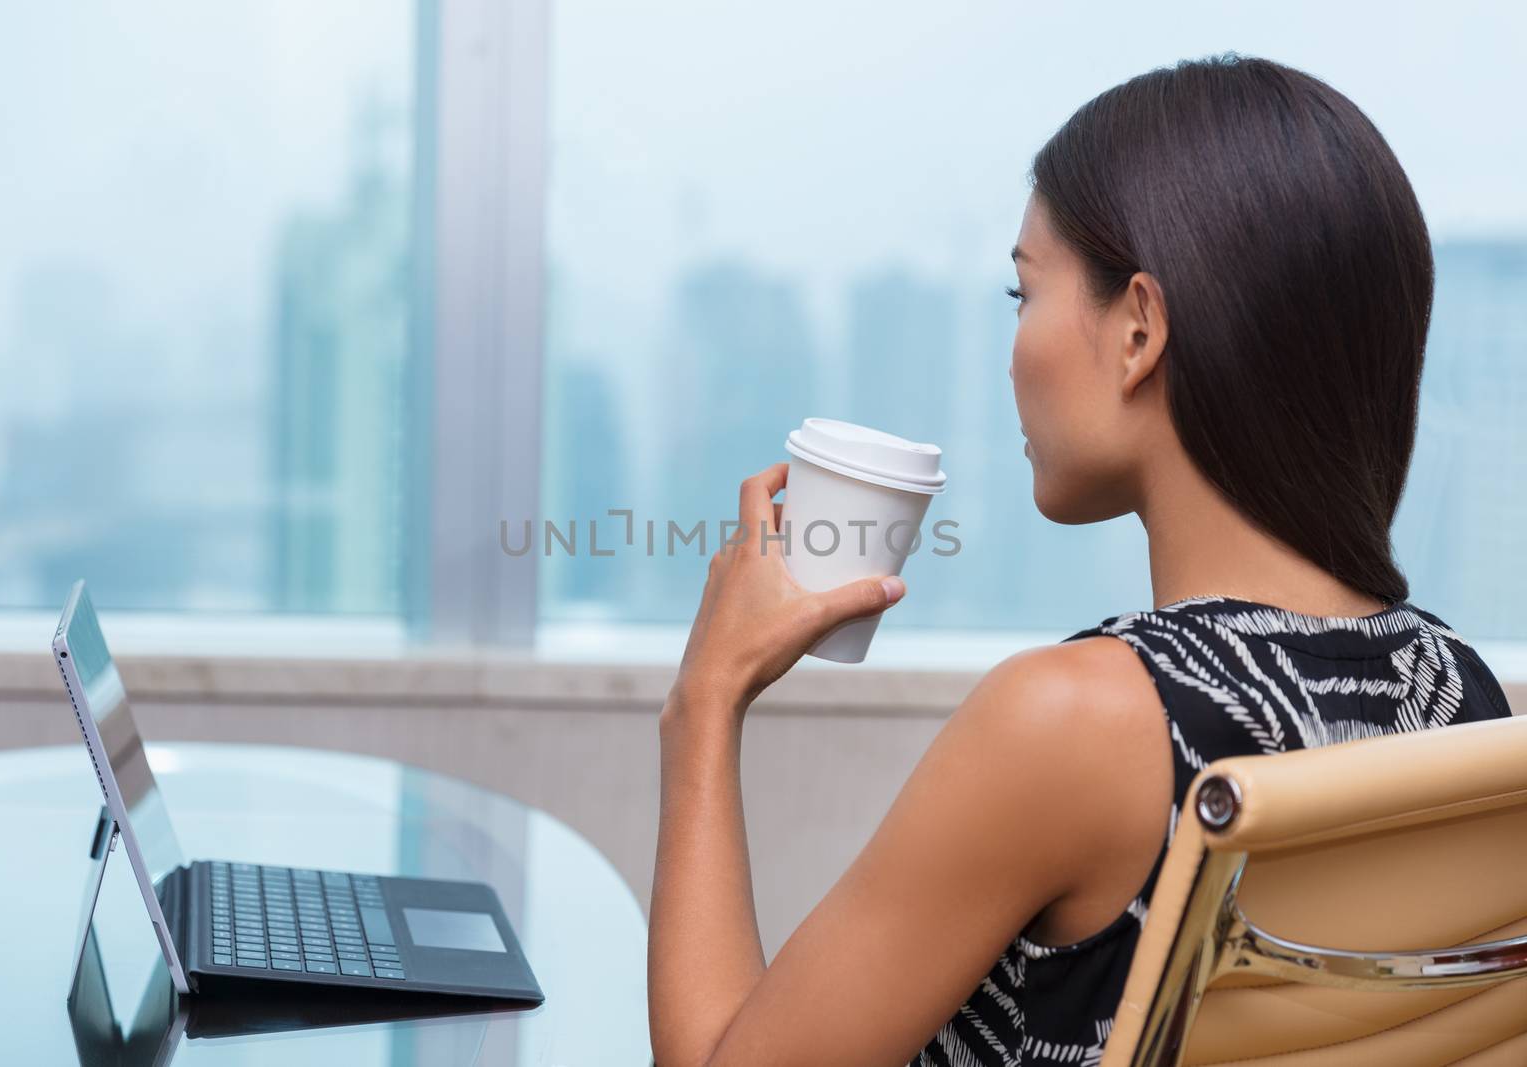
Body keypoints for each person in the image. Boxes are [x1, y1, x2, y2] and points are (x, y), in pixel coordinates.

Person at [646, 54, 1515, 1067]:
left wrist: (702, 702)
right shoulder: (1461, 697)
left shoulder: (1073, 721)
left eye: (1024, 293)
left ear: (1139, 327)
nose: (1012, 347)